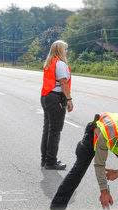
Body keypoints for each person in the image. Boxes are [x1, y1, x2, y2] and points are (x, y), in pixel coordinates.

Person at [40, 40, 73, 170]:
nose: (66, 51)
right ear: (60, 50)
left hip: (46, 96)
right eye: (65, 49)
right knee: (55, 131)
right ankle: (51, 162)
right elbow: (64, 83)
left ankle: (45, 159)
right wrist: (69, 99)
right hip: (55, 99)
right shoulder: (59, 64)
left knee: (47, 129)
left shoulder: (50, 63)